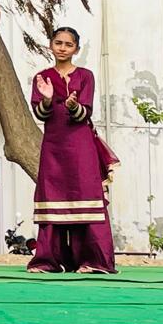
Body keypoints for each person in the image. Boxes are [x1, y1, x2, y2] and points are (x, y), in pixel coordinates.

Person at [27, 26, 118, 274]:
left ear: (76, 49)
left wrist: (73, 105)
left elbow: (84, 112)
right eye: (59, 43)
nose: (63, 48)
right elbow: (40, 113)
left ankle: (94, 260)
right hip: (53, 146)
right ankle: (47, 261)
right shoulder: (42, 77)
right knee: (52, 197)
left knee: (86, 195)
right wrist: (47, 99)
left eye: (69, 44)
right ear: (50, 45)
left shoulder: (85, 76)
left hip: (81, 146)